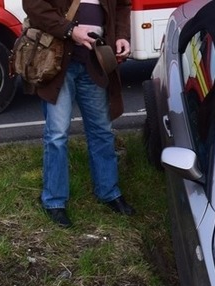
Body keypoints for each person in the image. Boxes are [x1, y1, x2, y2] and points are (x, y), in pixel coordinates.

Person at [23, 0, 136, 228]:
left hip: (95, 60)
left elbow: (123, 4)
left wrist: (122, 35)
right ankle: (54, 201)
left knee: (102, 131)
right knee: (57, 135)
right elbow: (33, 5)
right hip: (57, 61)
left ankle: (109, 192)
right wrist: (70, 30)